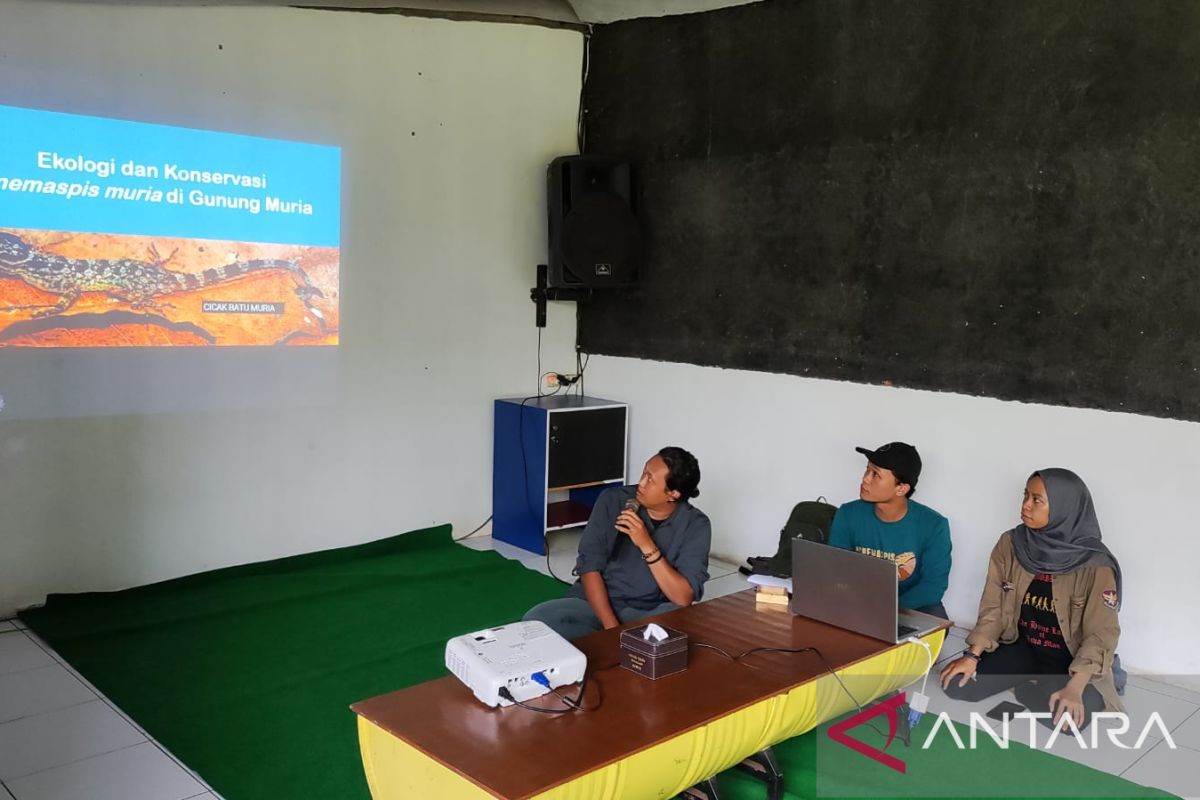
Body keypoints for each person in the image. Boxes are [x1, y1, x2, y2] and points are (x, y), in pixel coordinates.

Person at [939, 468, 1123, 731]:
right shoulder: (1012, 544)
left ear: (1063, 508)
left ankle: (1046, 685)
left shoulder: (1095, 564)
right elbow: (994, 607)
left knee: (1068, 722)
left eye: (1037, 500)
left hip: (1068, 658)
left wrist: (1075, 686)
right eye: (1026, 495)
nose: (1025, 505)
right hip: (1024, 647)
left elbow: (1101, 632)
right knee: (957, 685)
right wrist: (972, 655)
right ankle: (1035, 683)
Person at [523, 447, 710, 641]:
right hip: (594, 605)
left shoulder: (696, 525)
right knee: (536, 623)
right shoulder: (613, 500)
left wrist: (646, 544)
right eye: (644, 472)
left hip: (648, 610)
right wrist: (611, 627)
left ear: (673, 494)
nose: (642, 483)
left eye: (651, 479)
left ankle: (616, 645)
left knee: (680, 627)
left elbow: (683, 597)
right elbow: (589, 567)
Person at [827, 442, 952, 618]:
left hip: (908, 603)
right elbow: (837, 569)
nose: (865, 479)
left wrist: (889, 610)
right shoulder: (848, 513)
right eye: (867, 470)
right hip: (859, 598)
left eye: (876, 474)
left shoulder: (934, 525)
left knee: (936, 619)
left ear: (901, 488)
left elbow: (933, 586)